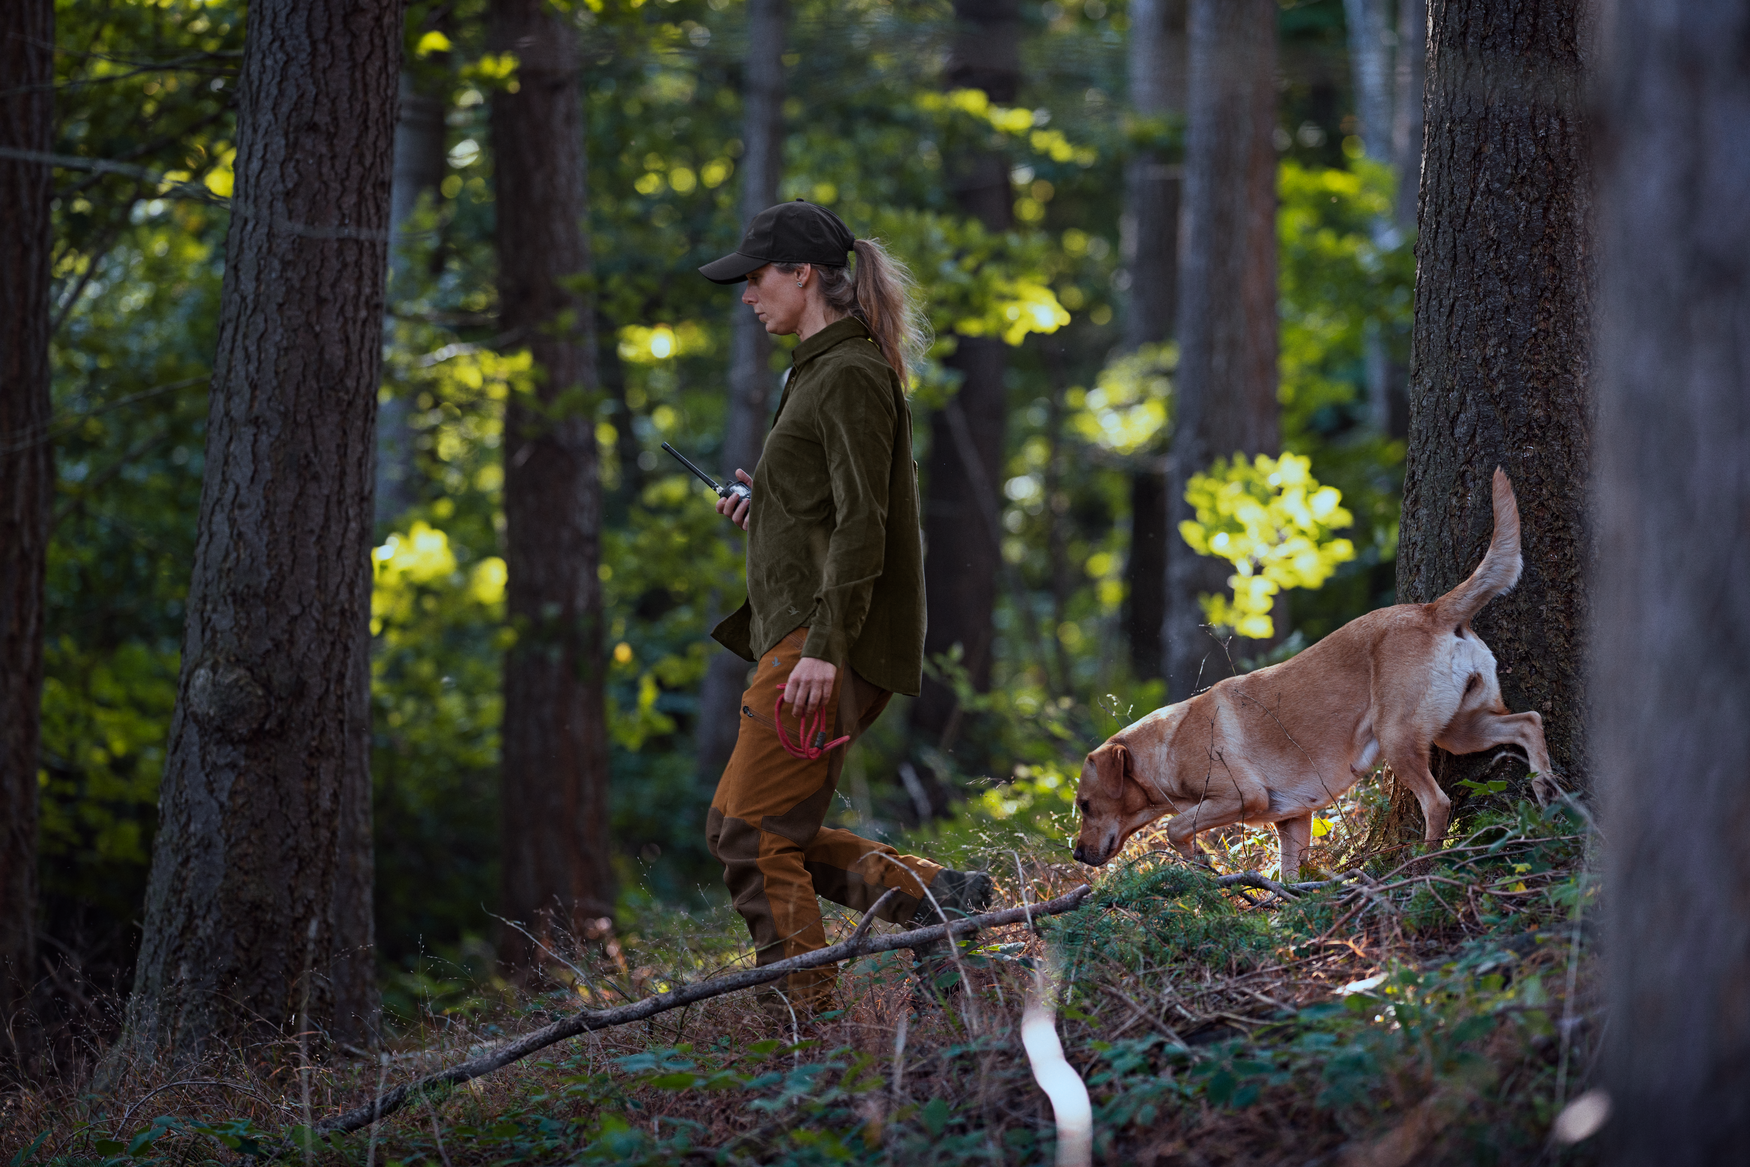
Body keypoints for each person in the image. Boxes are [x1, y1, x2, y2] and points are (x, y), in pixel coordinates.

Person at [698, 199, 992, 1013]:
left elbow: (871, 521)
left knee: (750, 834)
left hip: (823, 640)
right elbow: (837, 507)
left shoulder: (852, 372)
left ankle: (807, 1031)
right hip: (805, 632)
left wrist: (825, 649)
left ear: (800, 274)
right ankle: (942, 902)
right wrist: (771, 506)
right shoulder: (822, 368)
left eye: (755, 278)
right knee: (756, 827)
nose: (748, 295)